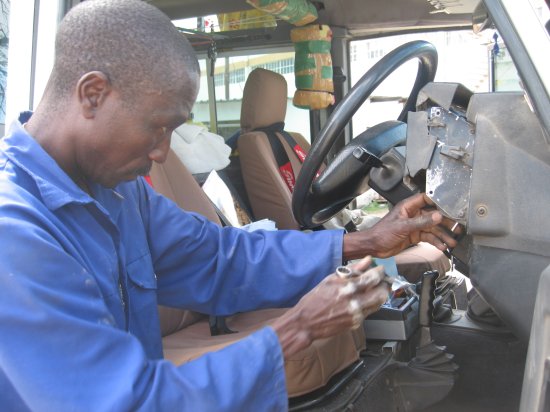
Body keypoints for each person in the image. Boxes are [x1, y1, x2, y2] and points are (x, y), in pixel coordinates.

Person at [0, 1, 457, 410]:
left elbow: (220, 258)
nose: (162, 153)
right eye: (158, 128)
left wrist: (366, 241)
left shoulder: (120, 193)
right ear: (93, 93)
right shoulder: (14, 232)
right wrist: (293, 331)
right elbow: (119, 402)